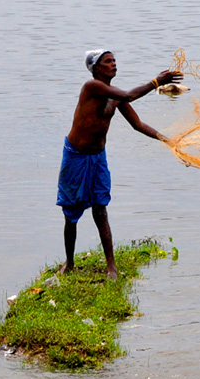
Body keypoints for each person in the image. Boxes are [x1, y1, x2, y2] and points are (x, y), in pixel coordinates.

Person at [58, 49, 182, 279]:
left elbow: (138, 124)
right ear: (97, 69)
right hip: (76, 156)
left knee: (100, 209)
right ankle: (70, 263)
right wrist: (156, 82)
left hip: (97, 157)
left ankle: (111, 267)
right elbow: (129, 95)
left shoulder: (115, 95)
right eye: (108, 61)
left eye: (114, 60)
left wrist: (167, 140)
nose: (113, 64)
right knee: (71, 211)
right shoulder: (91, 87)